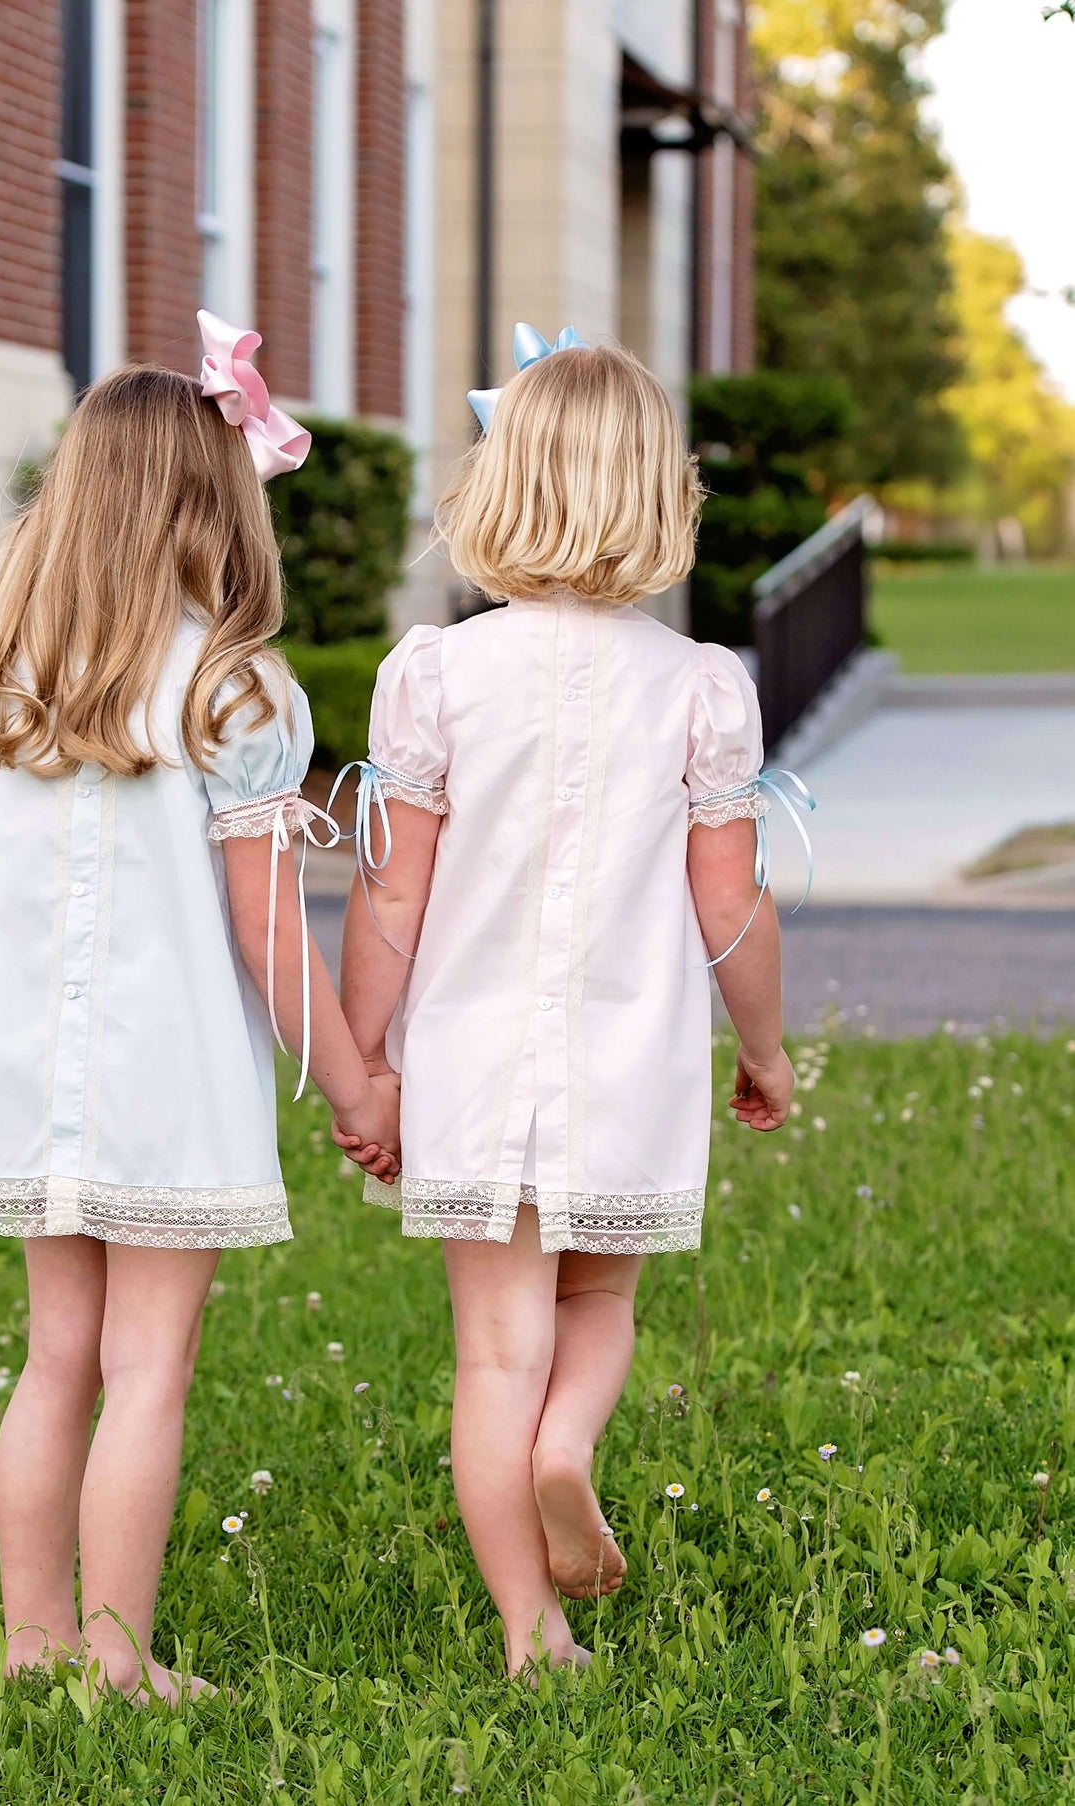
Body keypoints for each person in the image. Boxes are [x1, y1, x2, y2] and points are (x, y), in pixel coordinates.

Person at [0, 313, 399, 1704]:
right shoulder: (233, 690)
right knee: (148, 1366)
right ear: (215, 504)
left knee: (52, 1353)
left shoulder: (7, 687)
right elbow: (262, 927)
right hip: (167, 1078)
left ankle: (30, 1639)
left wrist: (5, 1001)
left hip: (37, 1080)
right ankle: (118, 1662)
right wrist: (357, 1083)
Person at [333, 326, 808, 1680]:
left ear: (498, 487)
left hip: (474, 1066)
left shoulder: (433, 671)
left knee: (493, 1348)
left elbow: (389, 898)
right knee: (598, 1295)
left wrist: (363, 1056)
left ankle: (529, 1630)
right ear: (662, 499)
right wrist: (764, 1049)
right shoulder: (700, 687)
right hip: (627, 1063)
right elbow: (730, 905)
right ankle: (566, 1447)